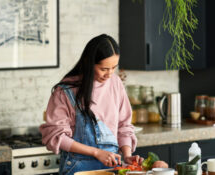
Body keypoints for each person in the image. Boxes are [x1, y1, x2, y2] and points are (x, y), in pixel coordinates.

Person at [40, 34, 143, 174]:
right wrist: (96, 152)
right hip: (77, 169)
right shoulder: (65, 91)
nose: (109, 74)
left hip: (111, 169)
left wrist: (127, 155)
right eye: (104, 69)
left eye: (114, 67)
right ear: (89, 63)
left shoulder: (115, 83)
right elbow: (56, 136)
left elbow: (124, 126)